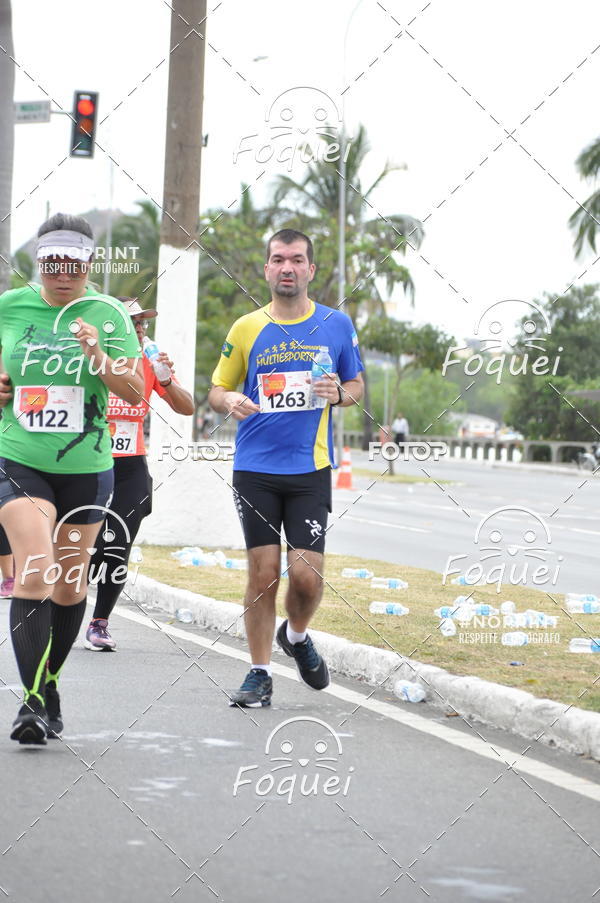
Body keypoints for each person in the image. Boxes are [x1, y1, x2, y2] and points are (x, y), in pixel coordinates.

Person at [0, 213, 144, 744]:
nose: (63, 274)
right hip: (19, 457)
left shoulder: (109, 314)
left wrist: (97, 355)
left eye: (74, 265)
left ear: (89, 264)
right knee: (36, 571)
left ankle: (50, 684)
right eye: (52, 264)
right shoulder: (9, 307)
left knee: (69, 582)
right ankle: (33, 702)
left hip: (87, 468)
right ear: (38, 263)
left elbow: (135, 393)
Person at [209, 228, 364, 707]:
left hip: (309, 468)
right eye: (278, 259)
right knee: (263, 575)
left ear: (310, 269)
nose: (287, 268)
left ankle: (295, 636)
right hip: (255, 468)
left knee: (306, 577)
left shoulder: (336, 324)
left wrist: (339, 394)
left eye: (297, 259)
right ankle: (259, 673)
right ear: (267, 269)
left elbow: (357, 385)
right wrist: (229, 401)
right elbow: (216, 390)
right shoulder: (246, 327)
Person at [85, 297, 194, 650]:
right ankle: (61, 605)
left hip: (130, 466)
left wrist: (167, 380)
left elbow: (187, 407)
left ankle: (99, 623)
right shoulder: (92, 357)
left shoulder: (148, 360)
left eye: (142, 323)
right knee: (85, 546)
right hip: (86, 464)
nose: (140, 328)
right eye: (132, 322)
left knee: (118, 543)